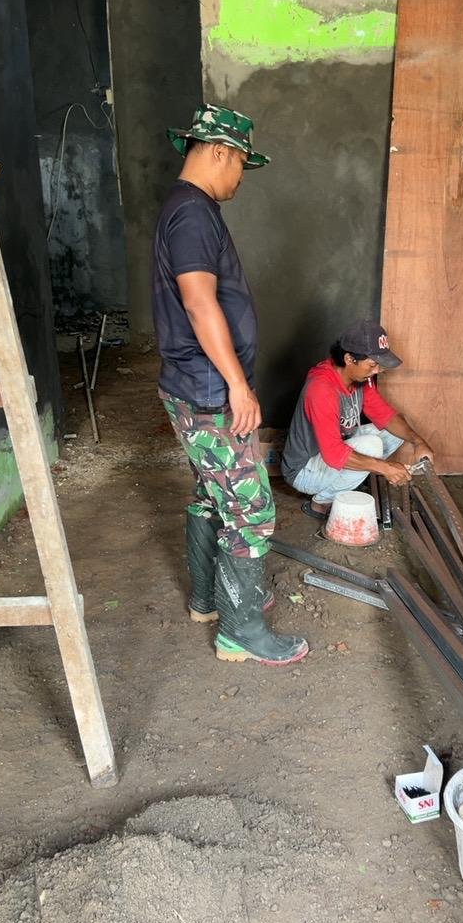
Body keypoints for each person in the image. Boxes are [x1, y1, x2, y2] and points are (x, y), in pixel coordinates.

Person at [152, 103, 308, 666]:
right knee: (251, 511)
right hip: (210, 390)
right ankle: (240, 631)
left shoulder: (186, 207)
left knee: (212, 493)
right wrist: (238, 386)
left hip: (193, 384)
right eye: (242, 163)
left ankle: (207, 600)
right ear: (221, 152)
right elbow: (199, 302)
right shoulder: (193, 213)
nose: (241, 177)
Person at [281, 319, 435, 517]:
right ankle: (321, 503)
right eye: (372, 364)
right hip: (305, 471)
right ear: (349, 359)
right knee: (372, 445)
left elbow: (384, 414)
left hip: (333, 451)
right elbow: (334, 454)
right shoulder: (321, 389)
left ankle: (349, 477)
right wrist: (386, 468)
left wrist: (418, 441)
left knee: (397, 430)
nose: (377, 370)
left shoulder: (360, 377)